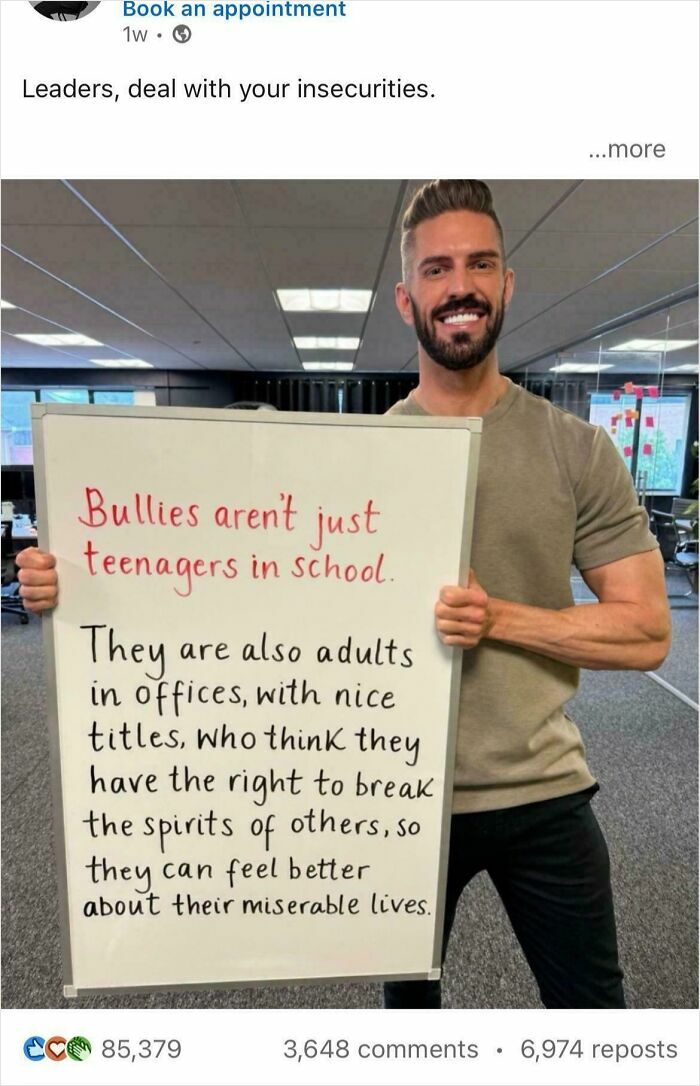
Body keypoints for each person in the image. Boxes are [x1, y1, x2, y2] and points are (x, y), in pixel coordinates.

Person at [17, 179, 671, 1010]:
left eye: (480, 264)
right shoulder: (354, 457)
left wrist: (498, 616)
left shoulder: (577, 449)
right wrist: (77, 586)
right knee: (407, 1029)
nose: (459, 285)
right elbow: (232, 594)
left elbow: (647, 631)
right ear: (407, 298)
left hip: (541, 789)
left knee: (594, 1020)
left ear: (508, 284)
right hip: (388, 792)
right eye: (436, 269)